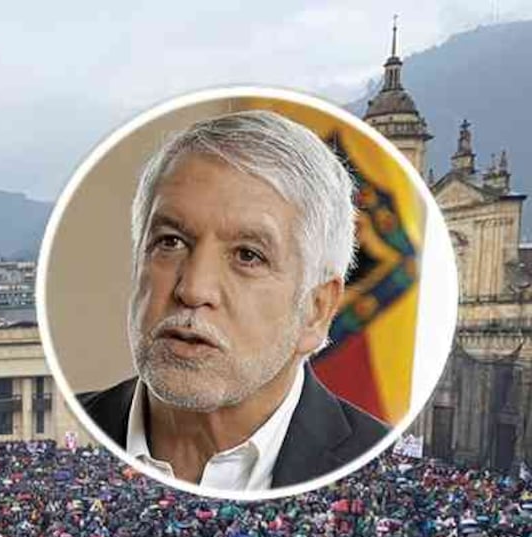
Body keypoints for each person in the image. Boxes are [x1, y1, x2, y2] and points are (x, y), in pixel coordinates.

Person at [77, 109, 388, 493]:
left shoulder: (381, 463)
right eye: (170, 242)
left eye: (248, 256)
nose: (193, 289)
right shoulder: (78, 427)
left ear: (316, 310)